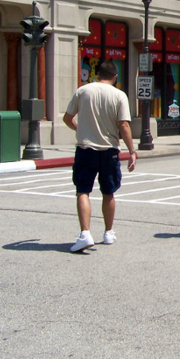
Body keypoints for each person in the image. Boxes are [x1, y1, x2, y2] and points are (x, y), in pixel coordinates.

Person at [63, 60, 137, 252]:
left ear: (97, 74)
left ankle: (85, 233)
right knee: (108, 192)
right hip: (109, 150)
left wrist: (79, 128)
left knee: (83, 190)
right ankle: (108, 232)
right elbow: (124, 125)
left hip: (86, 148)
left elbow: (67, 118)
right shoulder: (119, 95)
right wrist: (131, 151)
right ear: (115, 77)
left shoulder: (83, 91)